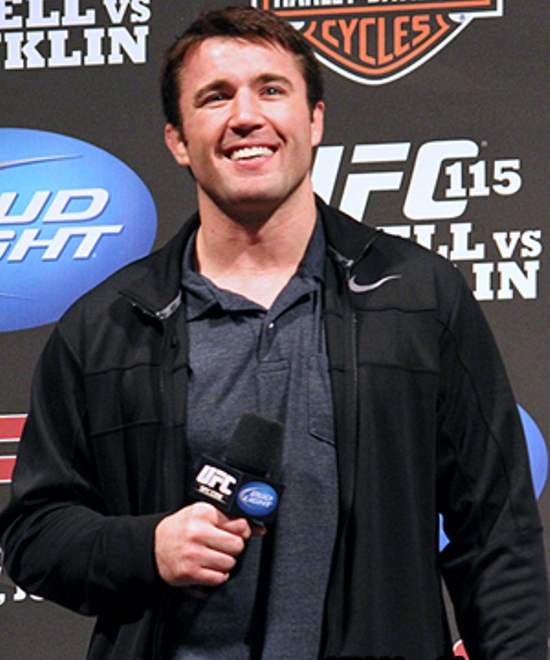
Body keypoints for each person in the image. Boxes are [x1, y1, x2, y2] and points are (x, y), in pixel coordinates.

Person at [0, 6, 547, 659]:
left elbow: (497, 535)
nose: (246, 116)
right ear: (177, 140)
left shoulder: (418, 298)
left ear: (314, 120)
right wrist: (148, 548)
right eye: (215, 97)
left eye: (271, 89)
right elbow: (34, 535)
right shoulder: (108, 326)